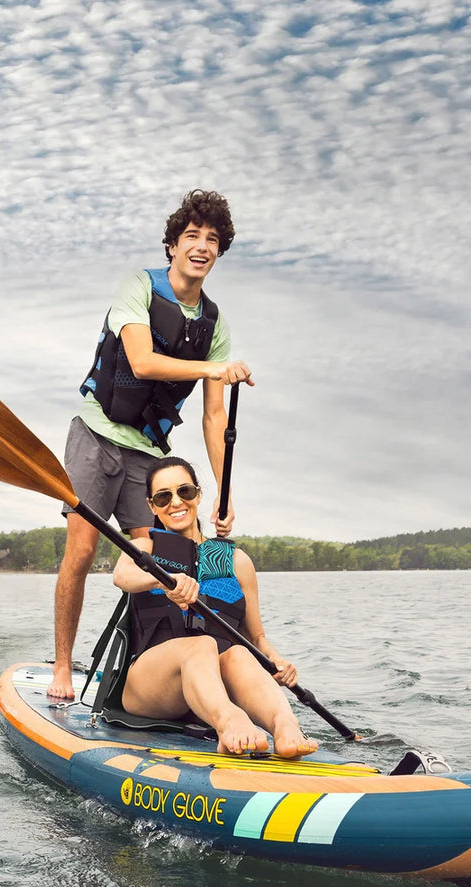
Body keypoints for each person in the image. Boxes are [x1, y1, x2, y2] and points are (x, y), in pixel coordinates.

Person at [48, 189, 253, 701]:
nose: (201, 247)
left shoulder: (214, 325)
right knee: (82, 549)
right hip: (96, 436)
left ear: (219, 252)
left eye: (212, 240)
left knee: (167, 559)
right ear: (172, 246)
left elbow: (212, 416)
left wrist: (225, 496)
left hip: (149, 454)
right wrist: (212, 368)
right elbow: (140, 361)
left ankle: (161, 673)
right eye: (192, 237)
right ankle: (61, 668)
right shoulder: (139, 286)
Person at [112, 456, 318, 759]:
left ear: (198, 495)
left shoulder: (237, 562)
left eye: (184, 492)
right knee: (200, 645)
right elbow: (122, 576)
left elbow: (256, 637)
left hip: (213, 684)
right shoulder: (145, 549)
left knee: (238, 653)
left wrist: (278, 662)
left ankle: (284, 724)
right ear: (152, 505)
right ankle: (230, 721)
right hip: (151, 686)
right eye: (163, 496)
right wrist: (163, 581)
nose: (175, 502)